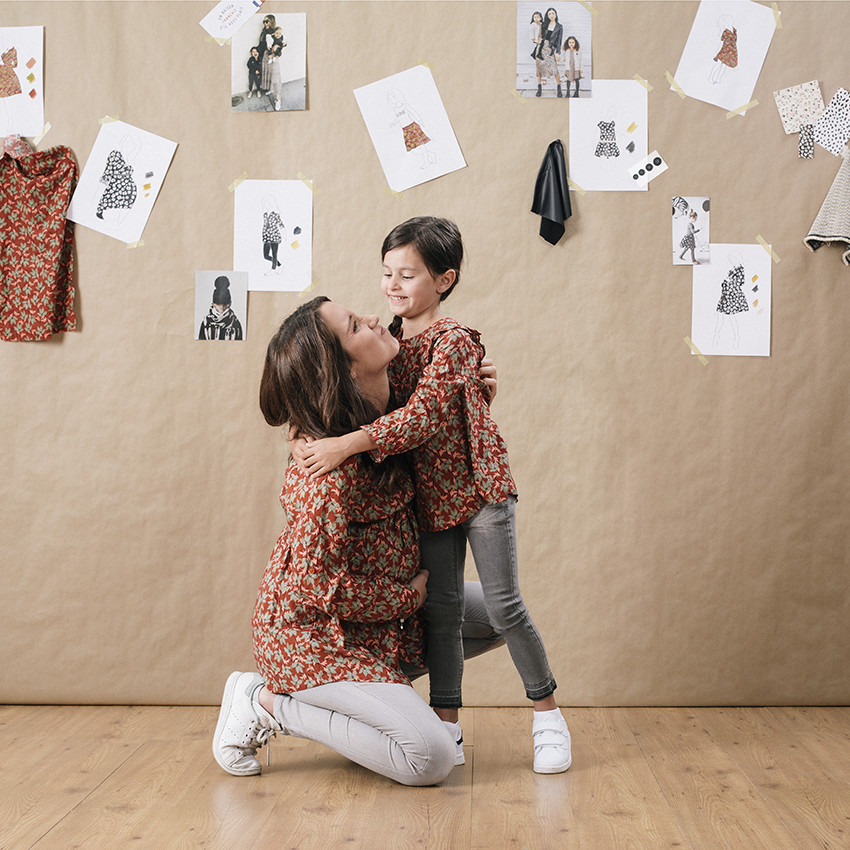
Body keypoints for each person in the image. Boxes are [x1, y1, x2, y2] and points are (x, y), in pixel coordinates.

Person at [299, 218, 572, 774]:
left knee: (503, 605)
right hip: (429, 501)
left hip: (479, 489)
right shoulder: (389, 347)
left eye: (408, 274)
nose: (393, 286)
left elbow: (422, 417)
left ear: (444, 281)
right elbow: (366, 395)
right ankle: (447, 727)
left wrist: (347, 444)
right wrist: (311, 433)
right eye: (386, 273)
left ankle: (547, 713)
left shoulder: (456, 341)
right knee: (441, 615)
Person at [212, 296, 503, 786]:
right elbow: (313, 589)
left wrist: (473, 397)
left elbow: (430, 426)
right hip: (315, 640)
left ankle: (372, 709)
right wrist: (406, 596)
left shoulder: (391, 412)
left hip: (383, 628)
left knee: (502, 613)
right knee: (428, 759)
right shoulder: (326, 475)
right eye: (354, 326)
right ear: (343, 374)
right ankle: (263, 702)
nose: (373, 317)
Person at [198, 275, 243, 340]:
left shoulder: (235, 323)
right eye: (218, 304)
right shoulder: (206, 323)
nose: (221, 308)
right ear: (213, 304)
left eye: (224, 305)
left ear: (229, 304)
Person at [534, 8, 563, 98]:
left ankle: (559, 88)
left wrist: (558, 52)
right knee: (539, 69)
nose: (551, 15)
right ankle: (539, 88)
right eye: (549, 13)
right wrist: (536, 40)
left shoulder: (559, 26)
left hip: (550, 49)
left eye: (553, 13)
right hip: (541, 48)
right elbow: (535, 32)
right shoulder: (543, 25)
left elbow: (559, 41)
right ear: (547, 15)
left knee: (554, 70)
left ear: (556, 15)